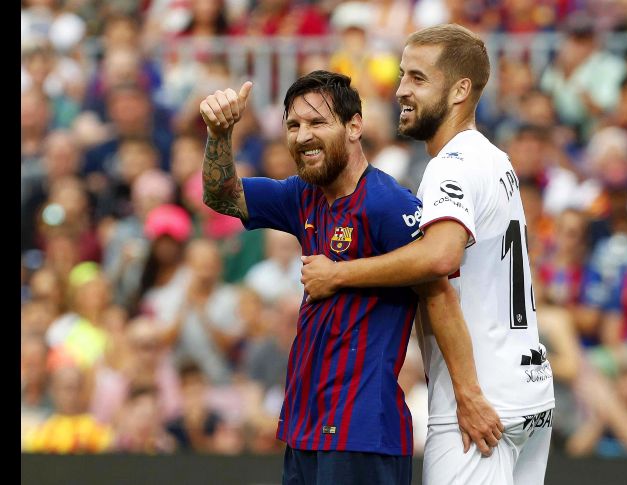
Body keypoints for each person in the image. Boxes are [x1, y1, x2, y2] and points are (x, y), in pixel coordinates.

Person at [198, 69, 500, 484]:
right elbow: (222, 195)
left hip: (360, 430)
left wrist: (467, 394)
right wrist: (219, 133)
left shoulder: (387, 204)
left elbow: (439, 292)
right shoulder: (301, 196)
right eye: (294, 125)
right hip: (305, 427)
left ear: (354, 126)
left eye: (317, 122)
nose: (303, 135)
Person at [301, 24, 555, 485]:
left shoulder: (450, 165)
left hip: (481, 401)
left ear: (460, 90)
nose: (401, 90)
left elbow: (441, 257)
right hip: (529, 391)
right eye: (402, 76)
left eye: (418, 78)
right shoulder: (496, 159)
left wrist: (338, 274)